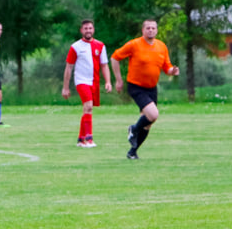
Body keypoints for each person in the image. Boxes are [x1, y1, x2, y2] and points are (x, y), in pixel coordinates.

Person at [111, 19, 179, 160]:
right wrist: (118, 80)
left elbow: (167, 67)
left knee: (148, 124)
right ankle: (133, 129)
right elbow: (115, 57)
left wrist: (172, 71)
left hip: (151, 88)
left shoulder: (161, 46)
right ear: (143, 30)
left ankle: (132, 152)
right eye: (148, 28)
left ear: (157, 30)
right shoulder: (134, 44)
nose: (150, 30)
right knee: (153, 115)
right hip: (136, 86)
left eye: (153, 28)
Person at [62, 19, 112, 147]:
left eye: (90, 28)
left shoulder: (100, 46)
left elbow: (104, 65)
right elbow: (69, 67)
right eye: (85, 28)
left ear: (93, 29)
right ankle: (89, 139)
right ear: (81, 31)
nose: (88, 30)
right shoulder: (75, 47)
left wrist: (108, 82)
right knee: (88, 106)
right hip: (81, 81)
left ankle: (80, 139)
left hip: (94, 82)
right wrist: (65, 87)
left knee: (87, 109)